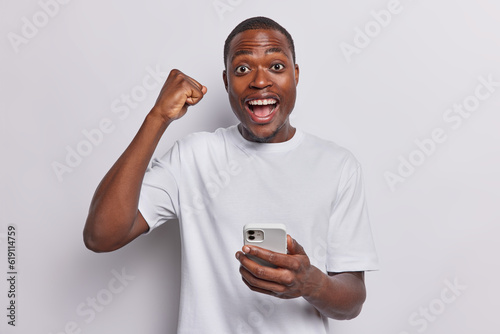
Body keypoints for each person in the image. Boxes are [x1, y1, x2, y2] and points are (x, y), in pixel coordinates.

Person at [83, 16, 379, 333]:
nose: (260, 81)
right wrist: (157, 117)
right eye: (242, 69)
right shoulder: (194, 156)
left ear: (295, 75)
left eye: (276, 67)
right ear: (226, 82)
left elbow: (352, 302)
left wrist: (310, 283)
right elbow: (101, 236)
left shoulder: (337, 165)